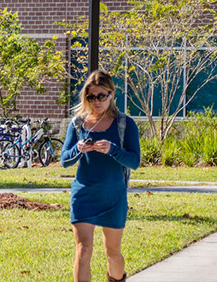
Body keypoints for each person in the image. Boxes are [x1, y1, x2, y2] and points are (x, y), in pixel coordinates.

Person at [61, 70, 141, 282]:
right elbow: (64, 160)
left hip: (113, 196)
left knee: (113, 254)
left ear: (111, 94)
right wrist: (78, 149)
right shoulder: (78, 124)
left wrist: (112, 149)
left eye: (101, 96)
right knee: (83, 250)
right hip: (84, 194)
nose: (96, 101)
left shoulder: (125, 124)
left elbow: (134, 161)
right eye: (91, 97)